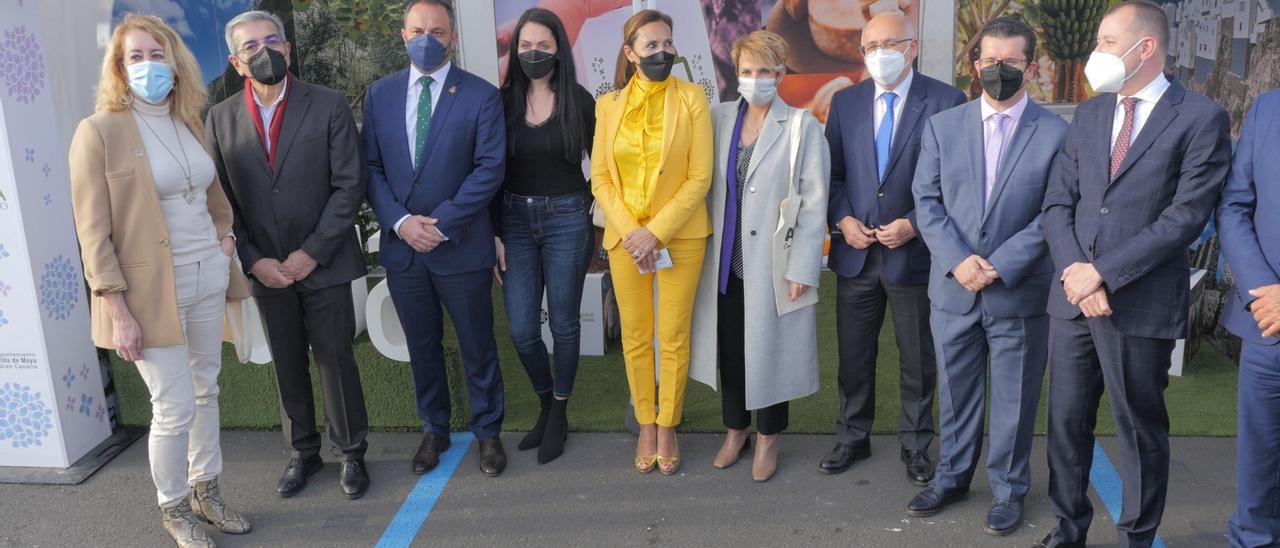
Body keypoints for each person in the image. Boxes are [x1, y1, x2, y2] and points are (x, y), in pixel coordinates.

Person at [1037, 3, 1231, 547]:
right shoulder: (1092, 113)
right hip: (1073, 299)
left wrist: (1101, 275)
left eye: (1105, 40)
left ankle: (1137, 537)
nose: (1096, 52)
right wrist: (1077, 273)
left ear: (1144, 48)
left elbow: (1185, 218)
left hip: (1138, 303)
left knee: (1139, 429)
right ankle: (1068, 528)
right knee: (1065, 423)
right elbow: (1058, 202)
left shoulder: (1200, 117)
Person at [68, 13, 252, 547]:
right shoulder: (98, 131)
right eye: (136, 57)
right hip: (148, 294)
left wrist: (225, 241)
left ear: (174, 62)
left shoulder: (187, 120)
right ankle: (174, 510)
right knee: (173, 404)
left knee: (206, 391)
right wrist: (117, 309)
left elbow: (215, 199)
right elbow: (93, 233)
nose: (149, 65)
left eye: (157, 54)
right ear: (120, 69)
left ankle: (207, 492)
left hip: (207, 275)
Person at [908, 16, 1067, 536]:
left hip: (1017, 289)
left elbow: (1056, 211)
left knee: (1015, 398)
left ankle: (1008, 489)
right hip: (954, 288)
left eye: (1011, 62)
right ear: (976, 66)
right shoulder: (943, 126)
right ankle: (952, 476)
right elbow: (926, 201)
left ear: (1031, 66)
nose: (999, 70)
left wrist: (999, 264)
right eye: (990, 61)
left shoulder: (1056, 133)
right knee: (956, 391)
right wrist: (959, 261)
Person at [204, 10, 372, 500]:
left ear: (288, 48)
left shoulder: (329, 104)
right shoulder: (220, 118)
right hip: (265, 269)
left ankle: (352, 453)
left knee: (336, 359)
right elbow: (222, 202)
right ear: (237, 62)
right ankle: (303, 452)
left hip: (324, 261)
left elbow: (349, 185)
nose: (264, 53)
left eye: (271, 41)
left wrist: (311, 253)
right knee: (286, 363)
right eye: (251, 47)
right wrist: (254, 259)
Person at [362, 0, 508, 477]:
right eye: (419, 29)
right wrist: (403, 223)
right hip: (404, 250)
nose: (428, 37)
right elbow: (371, 168)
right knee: (421, 346)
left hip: (460, 245)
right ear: (403, 35)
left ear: (453, 38)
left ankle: (488, 433)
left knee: (477, 345)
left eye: (438, 30)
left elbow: (489, 169)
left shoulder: (482, 95)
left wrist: (440, 223)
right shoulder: (378, 95)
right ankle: (435, 429)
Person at [820, 11, 965, 484]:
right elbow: (834, 174)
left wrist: (915, 224)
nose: (879, 54)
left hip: (916, 256)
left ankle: (916, 444)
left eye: (889, 43)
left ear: (912, 45)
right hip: (856, 252)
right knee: (854, 354)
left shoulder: (946, 101)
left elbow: (957, 184)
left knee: (918, 357)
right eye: (870, 46)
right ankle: (851, 436)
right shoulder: (845, 103)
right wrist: (842, 219)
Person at [688, 30, 829, 482]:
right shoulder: (717, 118)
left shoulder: (804, 127)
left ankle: (769, 437)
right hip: (725, 262)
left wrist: (802, 267)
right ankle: (736, 431)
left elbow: (814, 202)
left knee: (770, 350)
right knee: (730, 348)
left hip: (774, 263)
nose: (756, 79)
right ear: (735, 73)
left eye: (766, 71)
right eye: (747, 71)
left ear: (782, 73)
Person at [591, 9, 713, 475]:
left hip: (680, 235)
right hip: (625, 239)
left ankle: (668, 423)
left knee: (674, 336)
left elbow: (700, 177)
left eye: (667, 43)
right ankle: (645, 420)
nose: (662, 52)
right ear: (630, 53)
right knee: (637, 336)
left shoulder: (693, 98)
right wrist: (633, 232)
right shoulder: (608, 106)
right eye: (651, 46)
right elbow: (601, 178)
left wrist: (655, 232)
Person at [492, 7, 596, 464]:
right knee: (520, 328)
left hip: (568, 217)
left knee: (565, 323)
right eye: (526, 45)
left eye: (544, 45)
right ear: (516, 50)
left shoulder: (580, 100)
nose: (534, 53)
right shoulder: (501, 101)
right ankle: (544, 401)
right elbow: (489, 173)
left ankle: (559, 412)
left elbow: (607, 167)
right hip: (513, 220)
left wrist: (592, 211)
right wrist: (493, 232)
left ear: (558, 49)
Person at [1218, 94, 1280, 547]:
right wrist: (1263, 289)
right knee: (1259, 464)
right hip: (1268, 326)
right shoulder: (1268, 108)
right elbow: (1235, 205)